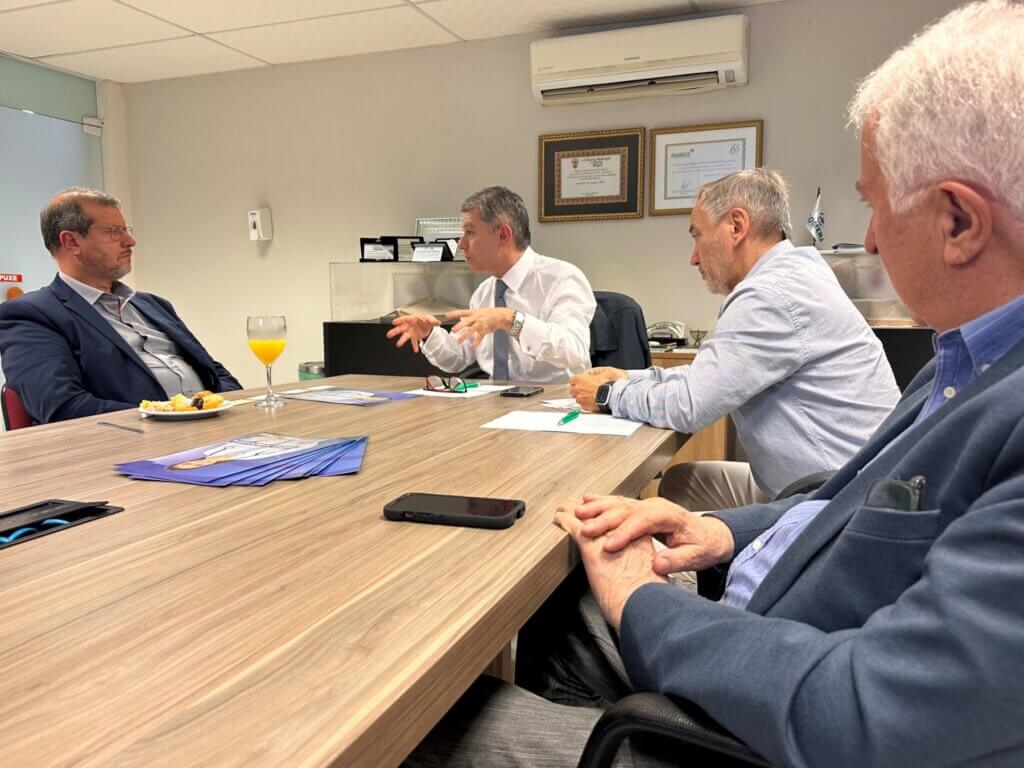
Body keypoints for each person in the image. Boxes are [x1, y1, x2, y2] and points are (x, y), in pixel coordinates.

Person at [404, 2, 1024, 766]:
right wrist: (725, 532)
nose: (865, 240)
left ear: (959, 223)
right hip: (782, 600)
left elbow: (870, 715)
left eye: (873, 204)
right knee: (561, 600)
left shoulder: (781, 295)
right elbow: (845, 501)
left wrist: (642, 602)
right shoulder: (960, 363)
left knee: (425, 724)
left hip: (779, 685)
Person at [570, 168, 900, 507]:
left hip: (833, 503)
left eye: (697, 236)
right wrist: (630, 378)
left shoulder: (769, 294)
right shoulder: (799, 271)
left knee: (657, 518)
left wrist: (607, 394)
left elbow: (690, 405)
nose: (693, 257)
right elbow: (710, 376)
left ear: (737, 226)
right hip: (853, 480)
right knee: (683, 484)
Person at [0, 187, 240, 424]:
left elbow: (214, 372)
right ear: (71, 242)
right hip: (133, 443)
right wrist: (171, 416)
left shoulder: (153, 305)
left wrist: (229, 409)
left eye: (126, 230)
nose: (130, 241)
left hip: (212, 432)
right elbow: (62, 407)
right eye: (114, 232)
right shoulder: (30, 315)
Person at [387, 186, 596, 382]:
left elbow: (573, 350)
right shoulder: (484, 292)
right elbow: (459, 357)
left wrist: (511, 320)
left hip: (553, 400)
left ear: (503, 235)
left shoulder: (561, 278)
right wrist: (429, 334)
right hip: (494, 399)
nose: (461, 244)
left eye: (470, 232)